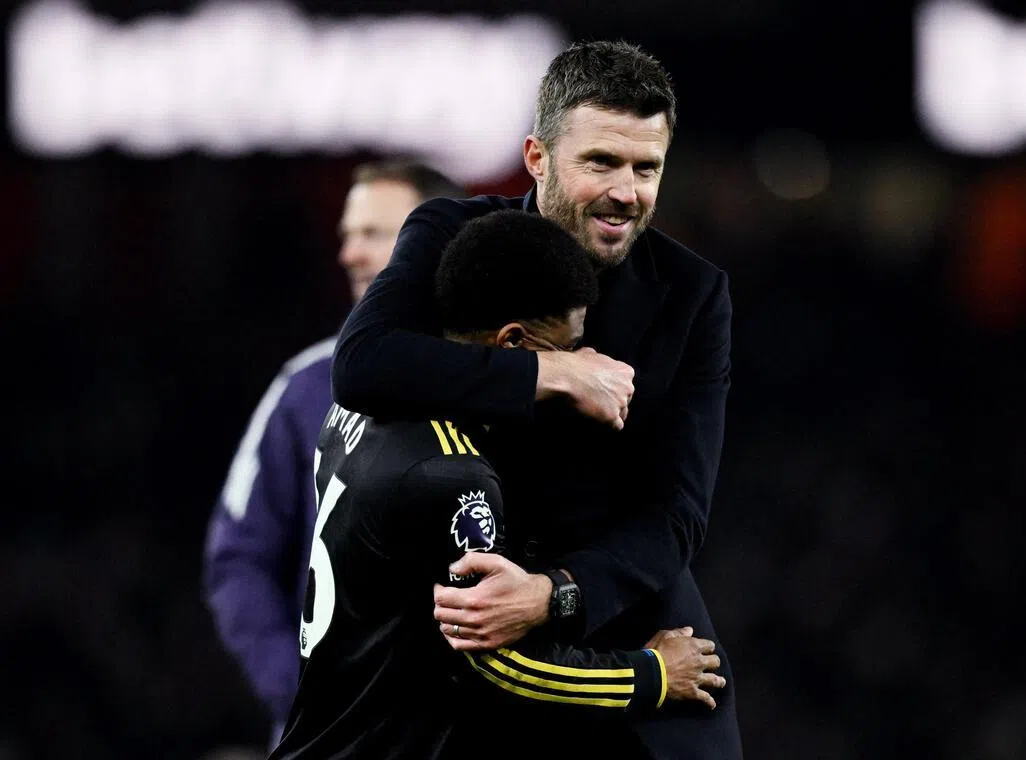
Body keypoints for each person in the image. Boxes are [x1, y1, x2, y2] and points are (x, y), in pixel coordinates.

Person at [331, 41, 741, 759]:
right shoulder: (446, 235)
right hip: (468, 643)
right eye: (601, 163)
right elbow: (364, 363)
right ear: (537, 157)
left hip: (627, 642)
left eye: (647, 168)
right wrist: (552, 375)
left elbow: (678, 516)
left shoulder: (692, 295)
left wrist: (555, 595)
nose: (627, 192)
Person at [268, 210, 724, 759]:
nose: (585, 361)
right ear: (512, 343)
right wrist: (649, 675)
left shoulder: (356, 412)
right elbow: (496, 662)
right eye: (570, 346)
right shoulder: (458, 478)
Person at [201, 160, 466, 742]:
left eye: (373, 233)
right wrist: (298, 694)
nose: (349, 254)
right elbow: (238, 558)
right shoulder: (304, 388)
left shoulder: (515, 381)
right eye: (347, 235)